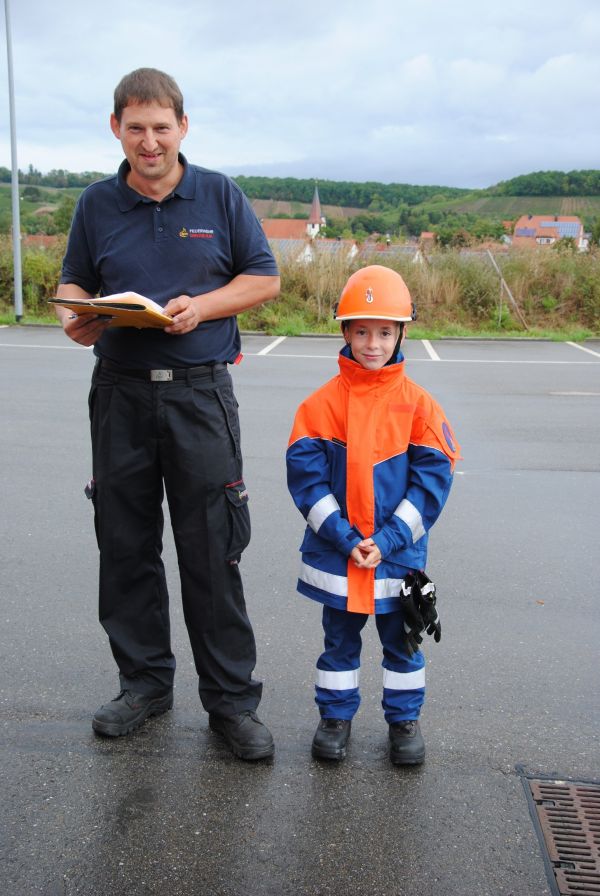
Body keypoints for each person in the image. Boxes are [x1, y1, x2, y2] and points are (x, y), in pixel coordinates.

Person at [55, 67, 280, 760]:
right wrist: (76, 315)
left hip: (199, 393)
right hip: (119, 392)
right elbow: (73, 283)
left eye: (160, 127)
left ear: (183, 126)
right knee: (125, 547)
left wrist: (203, 306)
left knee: (213, 551)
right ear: (116, 130)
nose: (148, 142)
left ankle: (232, 704)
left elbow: (263, 276)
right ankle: (144, 685)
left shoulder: (218, 194)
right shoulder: (96, 203)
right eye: (135, 128)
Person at [286, 265, 460, 764]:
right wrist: (346, 539)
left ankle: (404, 722)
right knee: (337, 645)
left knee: (402, 645)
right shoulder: (318, 406)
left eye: (385, 332)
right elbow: (306, 482)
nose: (372, 343)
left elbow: (432, 486)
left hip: (395, 560)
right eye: (361, 331)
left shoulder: (420, 407)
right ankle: (335, 718)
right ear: (344, 331)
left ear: (402, 333)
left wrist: (385, 542)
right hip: (339, 556)